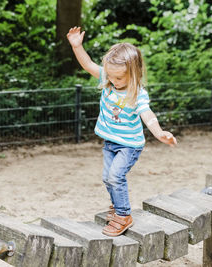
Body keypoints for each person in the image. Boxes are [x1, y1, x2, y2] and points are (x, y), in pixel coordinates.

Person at [67, 26, 177, 237]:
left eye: (119, 78)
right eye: (111, 77)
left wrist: (159, 132)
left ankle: (124, 215)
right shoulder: (107, 81)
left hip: (129, 145)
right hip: (110, 142)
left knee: (116, 176)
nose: (114, 82)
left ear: (133, 74)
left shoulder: (137, 94)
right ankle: (116, 206)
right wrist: (77, 46)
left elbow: (148, 115)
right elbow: (88, 64)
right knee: (107, 177)